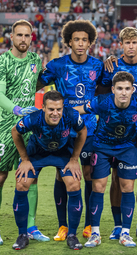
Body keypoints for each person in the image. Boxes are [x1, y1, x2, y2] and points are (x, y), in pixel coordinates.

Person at [39, 20, 105, 240]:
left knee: (87, 175)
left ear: (90, 42)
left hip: (90, 129)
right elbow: (35, 84)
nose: (80, 43)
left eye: (84, 40)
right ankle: (63, 226)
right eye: (76, 39)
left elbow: (107, 89)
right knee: (62, 175)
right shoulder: (57, 65)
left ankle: (87, 225)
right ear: (68, 41)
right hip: (63, 131)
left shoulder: (98, 65)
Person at [74, 71, 137, 248]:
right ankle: (95, 233)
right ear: (113, 89)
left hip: (127, 148)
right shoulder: (101, 101)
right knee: (98, 187)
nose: (123, 92)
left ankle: (125, 233)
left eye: (127, 89)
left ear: (133, 90)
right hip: (102, 147)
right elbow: (79, 109)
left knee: (128, 187)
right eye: (119, 89)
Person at [101, 27, 137, 240]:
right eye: (127, 43)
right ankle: (118, 225)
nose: (131, 46)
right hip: (117, 132)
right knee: (117, 178)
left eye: (134, 42)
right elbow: (101, 92)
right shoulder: (112, 66)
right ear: (121, 45)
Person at [11, 90, 87, 250]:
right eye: (51, 109)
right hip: (37, 153)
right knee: (21, 183)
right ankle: (22, 234)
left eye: (58, 109)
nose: (55, 113)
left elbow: (82, 131)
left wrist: (74, 159)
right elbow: (15, 132)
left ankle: (72, 235)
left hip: (63, 153)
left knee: (74, 183)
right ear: (43, 107)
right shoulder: (33, 118)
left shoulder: (71, 115)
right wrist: (24, 159)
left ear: (62, 107)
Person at [0, 19, 47, 244]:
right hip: (4, 127)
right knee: (0, 177)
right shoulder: (2, 61)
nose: (23, 40)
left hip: (29, 127)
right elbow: (0, 94)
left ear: (31, 37)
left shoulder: (35, 59)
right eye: (19, 35)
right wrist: (17, 109)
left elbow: (35, 84)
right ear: (11, 37)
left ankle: (31, 226)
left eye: (27, 36)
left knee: (31, 177)